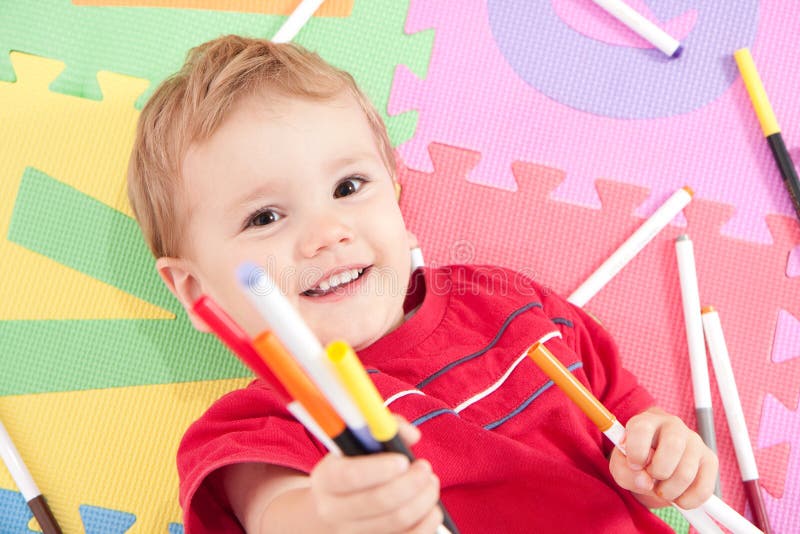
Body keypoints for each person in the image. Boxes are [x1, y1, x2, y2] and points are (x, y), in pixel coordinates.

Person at [127, 35, 718, 533]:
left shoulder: (508, 301)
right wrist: (337, 513)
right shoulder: (258, 428)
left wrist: (666, 456)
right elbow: (281, 514)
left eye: (349, 187)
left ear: (396, 189)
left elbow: (632, 430)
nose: (328, 234)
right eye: (264, 218)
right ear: (193, 289)